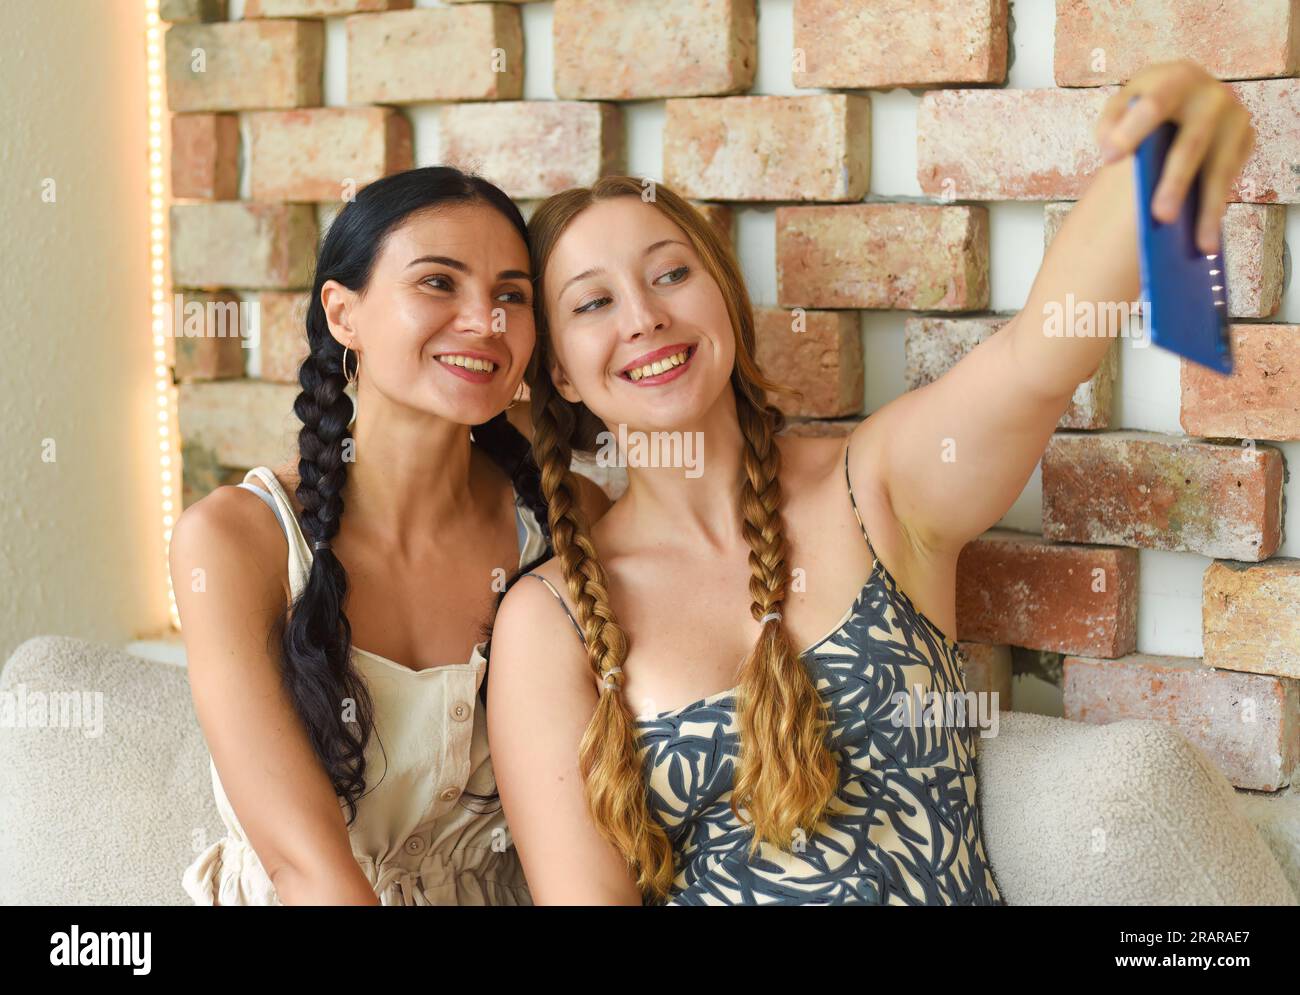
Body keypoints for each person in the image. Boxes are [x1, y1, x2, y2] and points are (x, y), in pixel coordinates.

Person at [484, 61, 1256, 905]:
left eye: (671, 274)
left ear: (726, 302)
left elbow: (1040, 351)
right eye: (592, 303)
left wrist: (1169, 139)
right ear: (559, 371)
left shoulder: (876, 485)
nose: (644, 316)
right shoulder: (550, 619)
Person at [170, 166, 609, 905]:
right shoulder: (235, 541)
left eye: (511, 295)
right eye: (438, 282)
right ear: (344, 314)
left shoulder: (567, 520)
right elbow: (308, 869)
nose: (485, 321)